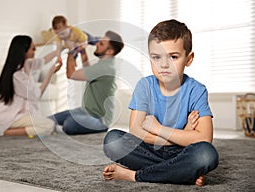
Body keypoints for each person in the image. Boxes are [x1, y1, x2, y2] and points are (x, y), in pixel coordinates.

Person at [102, 19, 219, 186]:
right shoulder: (145, 86)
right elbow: (136, 131)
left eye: (173, 56)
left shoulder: (196, 90)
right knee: (113, 140)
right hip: (151, 150)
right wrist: (184, 134)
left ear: (189, 58)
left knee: (206, 154)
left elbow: (204, 138)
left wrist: (159, 129)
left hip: (182, 152)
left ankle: (136, 175)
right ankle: (181, 172)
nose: (164, 65)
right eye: (156, 57)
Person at [0, 35, 62, 137]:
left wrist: (57, 51)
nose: (35, 51)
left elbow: (42, 61)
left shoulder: (26, 64)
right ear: (24, 51)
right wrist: (50, 74)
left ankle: (10, 129)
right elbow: (36, 95)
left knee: (47, 124)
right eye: (33, 49)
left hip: (19, 114)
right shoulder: (17, 75)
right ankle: (4, 132)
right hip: (9, 116)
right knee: (49, 126)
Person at [49, 30, 124, 135]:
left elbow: (71, 74)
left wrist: (71, 53)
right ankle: (56, 127)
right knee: (50, 120)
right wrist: (83, 52)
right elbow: (88, 71)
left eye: (101, 43)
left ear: (109, 51)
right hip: (84, 111)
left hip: (100, 120)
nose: (97, 44)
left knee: (70, 123)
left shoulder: (105, 67)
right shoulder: (104, 64)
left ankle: (61, 128)